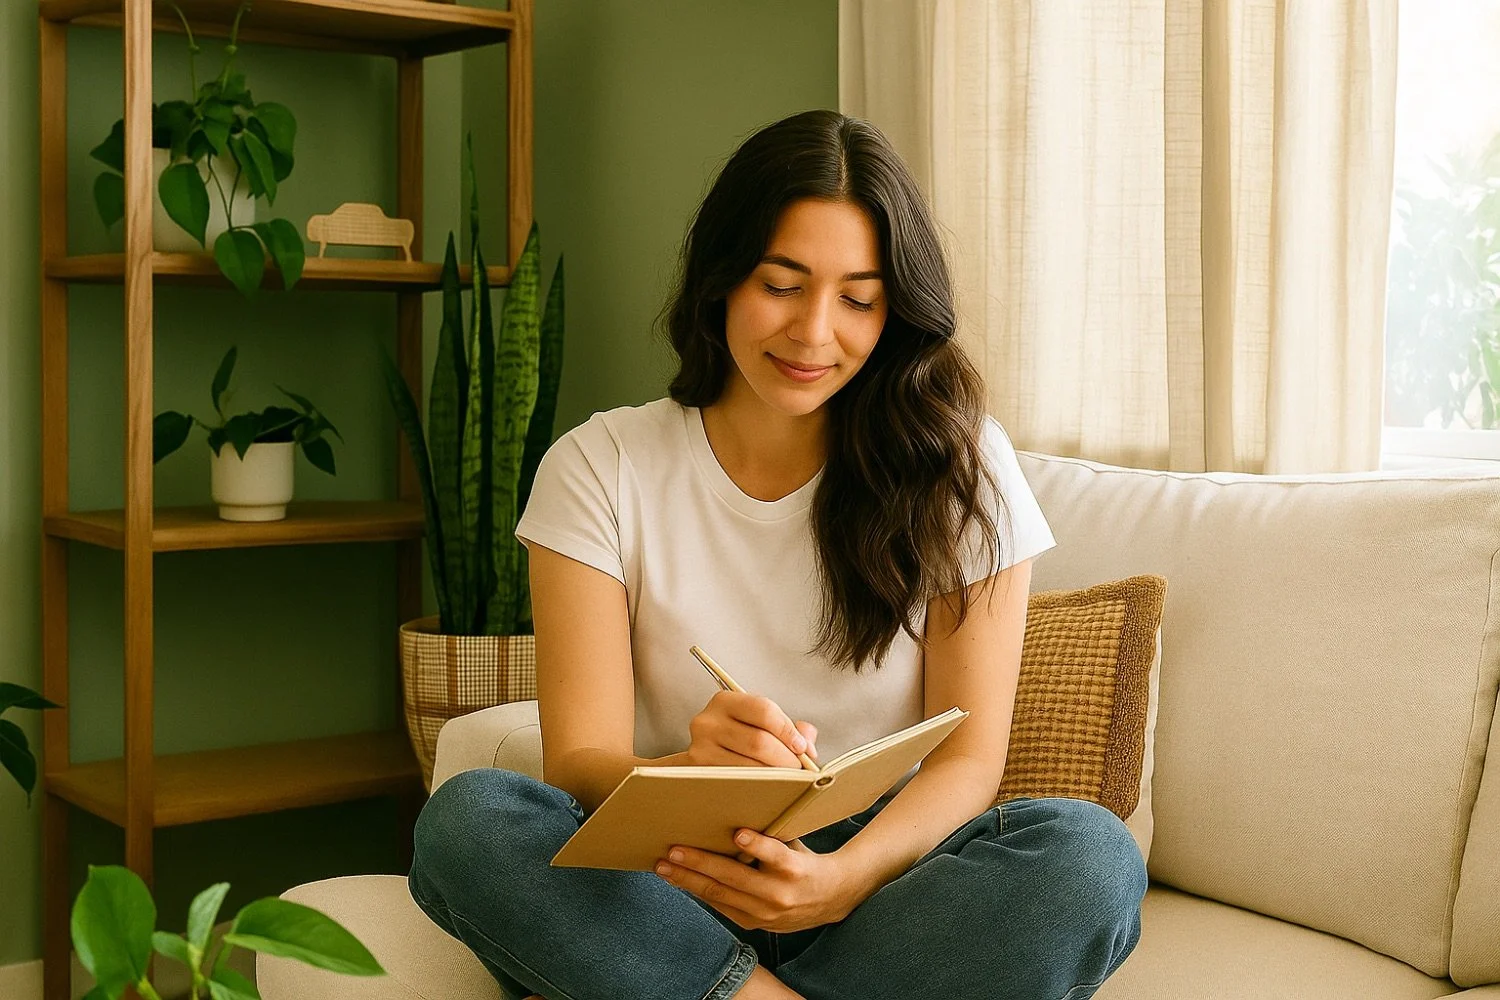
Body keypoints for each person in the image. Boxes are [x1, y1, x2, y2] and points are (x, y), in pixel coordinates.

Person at [406, 108, 1147, 1000]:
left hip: (886, 874)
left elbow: (967, 758)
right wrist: (691, 768)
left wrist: (841, 881)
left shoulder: (959, 464)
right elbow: (582, 763)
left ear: (894, 312)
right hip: (677, 874)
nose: (814, 333)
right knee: (471, 822)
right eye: (782, 283)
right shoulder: (598, 467)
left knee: (1090, 854)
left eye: (859, 299)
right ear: (721, 279)